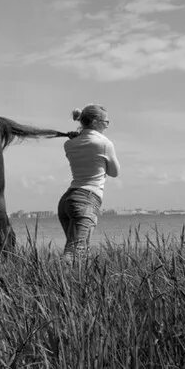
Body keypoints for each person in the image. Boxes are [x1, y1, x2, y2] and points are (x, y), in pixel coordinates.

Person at [59, 104, 120, 261]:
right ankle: (58, 280)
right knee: (75, 253)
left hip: (67, 200)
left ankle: (70, 283)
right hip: (86, 199)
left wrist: (78, 136)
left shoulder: (69, 144)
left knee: (79, 251)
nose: (107, 124)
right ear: (94, 121)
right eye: (106, 121)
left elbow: (82, 145)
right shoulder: (105, 144)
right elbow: (114, 172)